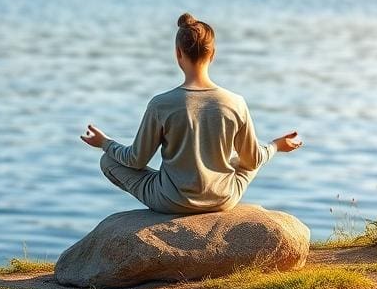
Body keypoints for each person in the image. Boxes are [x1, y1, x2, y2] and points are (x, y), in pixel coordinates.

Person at [81, 12, 302, 214]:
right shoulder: (236, 103)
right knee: (244, 158)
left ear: (178, 53)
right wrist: (276, 146)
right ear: (213, 54)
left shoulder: (160, 104)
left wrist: (105, 143)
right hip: (223, 199)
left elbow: (135, 160)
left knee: (108, 161)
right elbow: (253, 161)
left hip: (171, 201)